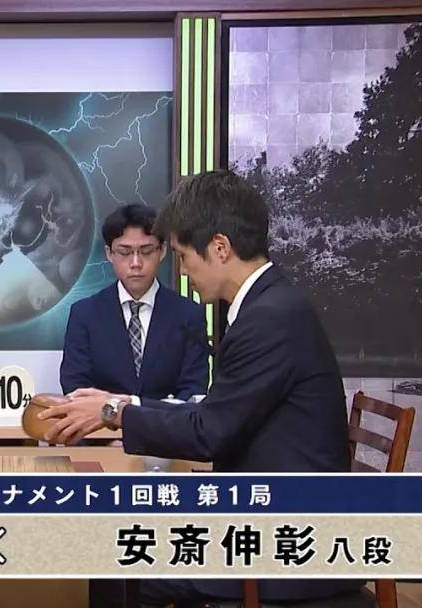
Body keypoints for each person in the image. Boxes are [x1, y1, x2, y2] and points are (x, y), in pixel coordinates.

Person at [40, 170, 361, 607]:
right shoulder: (269, 305)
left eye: (182, 255)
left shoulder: (268, 320)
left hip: (284, 544)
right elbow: (213, 414)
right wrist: (118, 405)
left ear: (220, 248)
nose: (181, 270)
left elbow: (208, 433)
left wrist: (112, 413)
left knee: (115, 568)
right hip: (264, 515)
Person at [60, 203, 208, 404]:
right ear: (109, 253)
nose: (136, 263)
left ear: (162, 251)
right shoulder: (85, 314)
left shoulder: (188, 314)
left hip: (169, 425)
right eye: (124, 252)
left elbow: (193, 393)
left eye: (146, 251)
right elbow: (76, 389)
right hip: (101, 425)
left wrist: (134, 409)